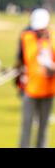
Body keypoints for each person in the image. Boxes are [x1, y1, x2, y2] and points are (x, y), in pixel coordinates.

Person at [18, 8, 55, 148]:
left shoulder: (53, 38)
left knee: (43, 127)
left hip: (48, 89)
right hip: (31, 88)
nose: (38, 31)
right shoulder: (26, 37)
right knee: (26, 125)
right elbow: (21, 58)